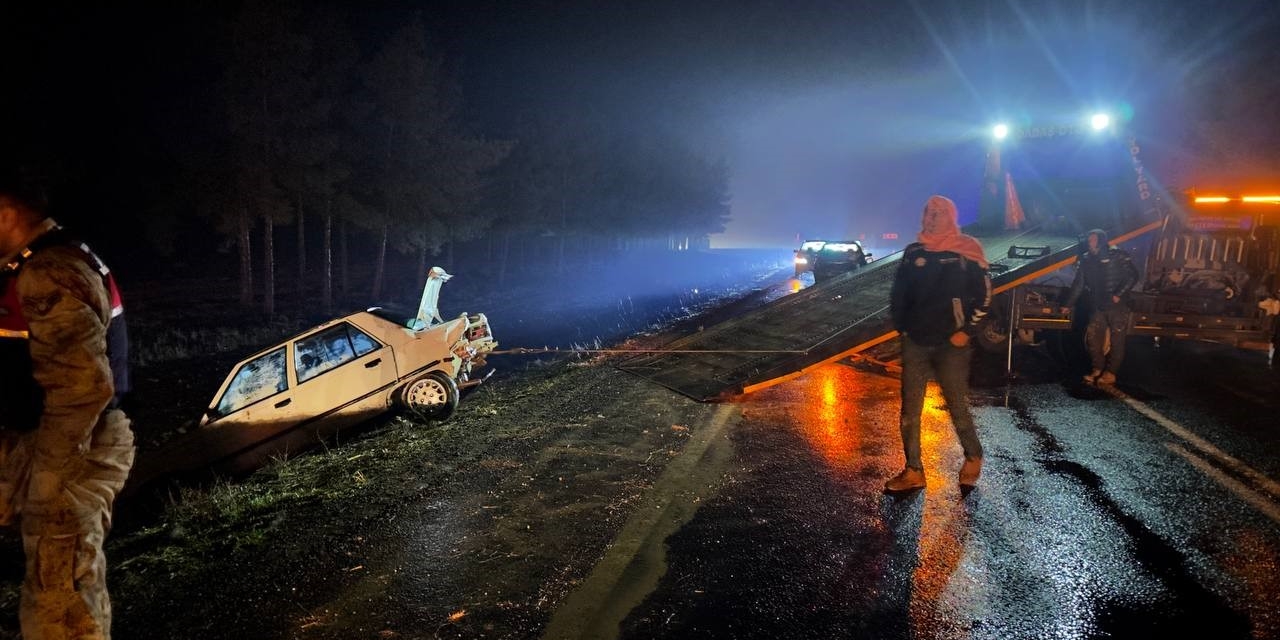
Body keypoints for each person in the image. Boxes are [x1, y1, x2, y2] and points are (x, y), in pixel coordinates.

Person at [0, 170, 135, 639]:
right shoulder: (48, 261)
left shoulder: (46, 272)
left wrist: (49, 480)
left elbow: (81, 390)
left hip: (70, 451)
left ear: (6, 213)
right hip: (54, 443)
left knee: (60, 605)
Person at [885, 195, 992, 493]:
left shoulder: (967, 250)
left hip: (951, 342)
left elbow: (984, 294)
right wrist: (903, 327)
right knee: (910, 409)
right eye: (929, 212)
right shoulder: (913, 252)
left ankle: (973, 455)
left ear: (951, 216)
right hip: (916, 340)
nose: (933, 217)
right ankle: (913, 470)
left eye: (939, 212)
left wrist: (968, 330)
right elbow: (899, 295)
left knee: (956, 404)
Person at [1060, 228, 1139, 385]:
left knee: (1117, 341)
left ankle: (1110, 373)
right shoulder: (1087, 260)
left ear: (1101, 241)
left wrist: (1118, 294)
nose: (1090, 243)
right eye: (1089, 240)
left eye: (1093, 240)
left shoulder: (1118, 256)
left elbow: (1133, 276)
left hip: (1117, 306)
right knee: (1093, 339)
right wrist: (1068, 305)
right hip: (1097, 305)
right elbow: (1079, 284)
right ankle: (1097, 369)